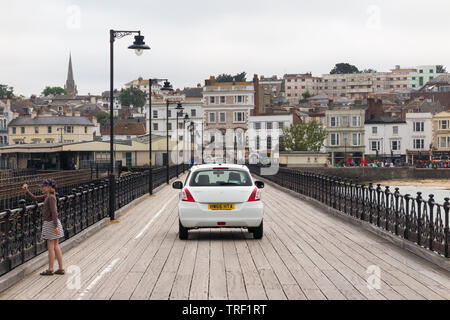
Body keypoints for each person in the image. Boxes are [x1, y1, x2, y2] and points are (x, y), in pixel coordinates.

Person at [22, 179, 64, 276]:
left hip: (51, 224)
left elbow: (54, 212)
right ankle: (61, 268)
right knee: (56, 246)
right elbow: (35, 198)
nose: (42, 188)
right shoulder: (48, 196)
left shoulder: (51, 198)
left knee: (51, 247)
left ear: (49, 187)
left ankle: (50, 269)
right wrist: (26, 191)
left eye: (43, 186)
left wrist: (55, 226)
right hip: (52, 223)